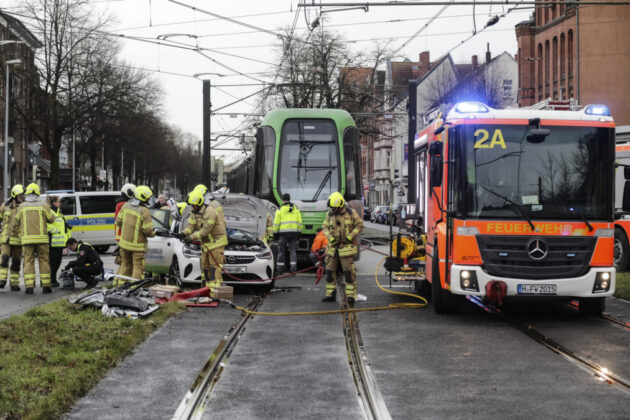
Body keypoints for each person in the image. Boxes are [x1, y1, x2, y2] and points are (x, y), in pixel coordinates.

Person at [181, 190, 227, 297]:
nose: (192, 208)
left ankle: (214, 293)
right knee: (205, 267)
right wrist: (183, 234)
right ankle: (207, 291)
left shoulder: (210, 211)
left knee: (214, 267)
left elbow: (206, 230)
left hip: (217, 242)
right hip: (206, 244)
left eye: (194, 206)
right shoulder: (194, 211)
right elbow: (190, 227)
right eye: (192, 206)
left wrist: (191, 237)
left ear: (200, 203)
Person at [321, 192, 363, 304]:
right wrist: (331, 238)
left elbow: (360, 225)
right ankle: (330, 295)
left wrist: (350, 237)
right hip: (333, 247)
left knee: (349, 273)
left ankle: (351, 296)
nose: (332, 210)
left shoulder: (350, 213)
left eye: (334, 208)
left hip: (346, 247)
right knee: (330, 272)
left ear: (340, 206)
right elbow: (324, 227)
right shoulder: (330, 214)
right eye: (331, 208)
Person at [15, 183, 56, 294]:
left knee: (28, 261)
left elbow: (16, 220)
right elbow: (52, 219)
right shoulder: (44, 206)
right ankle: (46, 286)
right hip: (42, 240)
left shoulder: (21, 207)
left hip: (27, 240)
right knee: (44, 261)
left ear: (27, 193)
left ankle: (29, 287)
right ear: (38, 193)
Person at [116, 185, 155, 283]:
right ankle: (134, 287)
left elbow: (119, 222)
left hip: (124, 244)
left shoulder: (125, 206)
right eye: (148, 197)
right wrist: (154, 233)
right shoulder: (145, 211)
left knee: (125, 264)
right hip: (138, 246)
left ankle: (121, 286)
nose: (149, 199)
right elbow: (147, 231)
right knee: (138, 266)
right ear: (143, 197)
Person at [0, 184, 25, 291]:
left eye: (23, 196)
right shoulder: (5, 206)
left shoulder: (24, 207)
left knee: (16, 262)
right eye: (20, 196)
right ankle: (2, 280)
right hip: (6, 239)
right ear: (14, 196)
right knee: (4, 260)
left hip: (18, 240)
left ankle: (14, 283)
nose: (22, 198)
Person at [272, 193, 302, 273]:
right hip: (294, 233)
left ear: (282, 200)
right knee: (293, 251)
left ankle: (280, 269)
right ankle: (293, 269)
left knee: (281, 251)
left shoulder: (280, 209)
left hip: (283, 234)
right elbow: (299, 222)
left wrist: (275, 233)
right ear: (289, 199)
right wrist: (299, 232)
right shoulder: (295, 208)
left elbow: (276, 222)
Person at [47, 195, 71, 287]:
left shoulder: (59, 212)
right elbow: (45, 224)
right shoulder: (50, 211)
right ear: (53, 203)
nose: (60, 203)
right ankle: (51, 280)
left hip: (60, 243)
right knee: (52, 263)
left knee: (57, 262)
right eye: (58, 201)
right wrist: (55, 231)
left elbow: (61, 224)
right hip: (53, 243)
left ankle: (52, 279)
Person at [113, 183, 135, 286]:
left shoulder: (120, 203)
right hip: (123, 236)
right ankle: (120, 282)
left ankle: (117, 281)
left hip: (120, 236)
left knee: (123, 262)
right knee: (125, 262)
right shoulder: (123, 205)